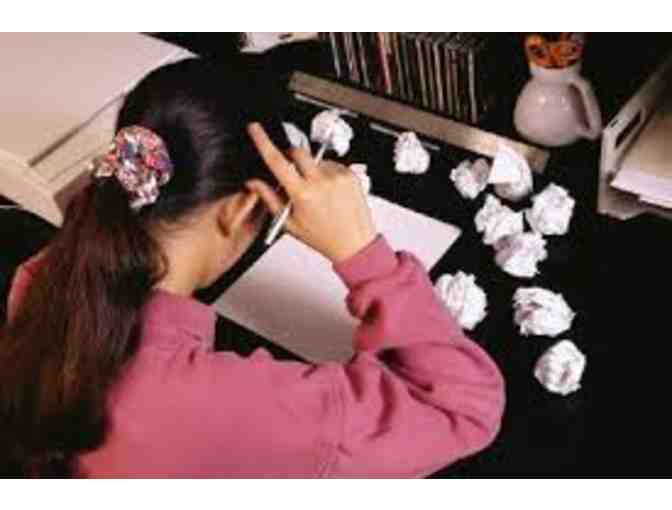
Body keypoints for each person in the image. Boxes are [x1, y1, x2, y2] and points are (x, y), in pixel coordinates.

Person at [0, 58, 505, 478]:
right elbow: (463, 407)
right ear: (242, 208)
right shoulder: (239, 408)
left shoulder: (36, 281)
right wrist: (363, 254)